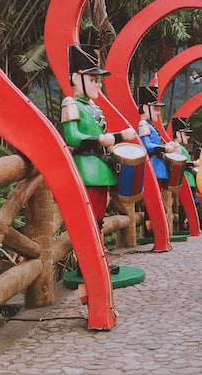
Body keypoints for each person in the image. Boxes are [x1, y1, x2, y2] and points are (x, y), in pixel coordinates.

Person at [61, 44, 136, 286]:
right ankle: (87, 262)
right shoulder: (71, 104)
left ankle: (99, 258)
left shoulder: (94, 107)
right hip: (87, 166)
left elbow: (104, 135)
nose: (98, 85)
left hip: (101, 166)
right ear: (76, 78)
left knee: (99, 217)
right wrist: (96, 140)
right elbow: (72, 136)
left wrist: (121, 136)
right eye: (93, 79)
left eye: (98, 80)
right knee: (90, 217)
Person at [137, 84, 180, 234]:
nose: (157, 111)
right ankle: (152, 230)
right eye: (154, 107)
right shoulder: (143, 125)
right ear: (144, 107)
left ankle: (157, 229)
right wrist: (164, 148)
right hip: (152, 168)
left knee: (159, 199)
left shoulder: (151, 127)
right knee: (152, 200)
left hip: (158, 168)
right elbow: (146, 145)